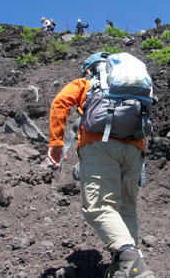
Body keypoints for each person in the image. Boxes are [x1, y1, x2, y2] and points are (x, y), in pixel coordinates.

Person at [47, 53, 155, 278]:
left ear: (89, 70)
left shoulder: (87, 83)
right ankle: (127, 266)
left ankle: (130, 260)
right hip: (135, 150)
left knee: (98, 206)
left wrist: (57, 142)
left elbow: (60, 103)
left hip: (99, 146)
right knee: (126, 209)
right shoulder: (132, 84)